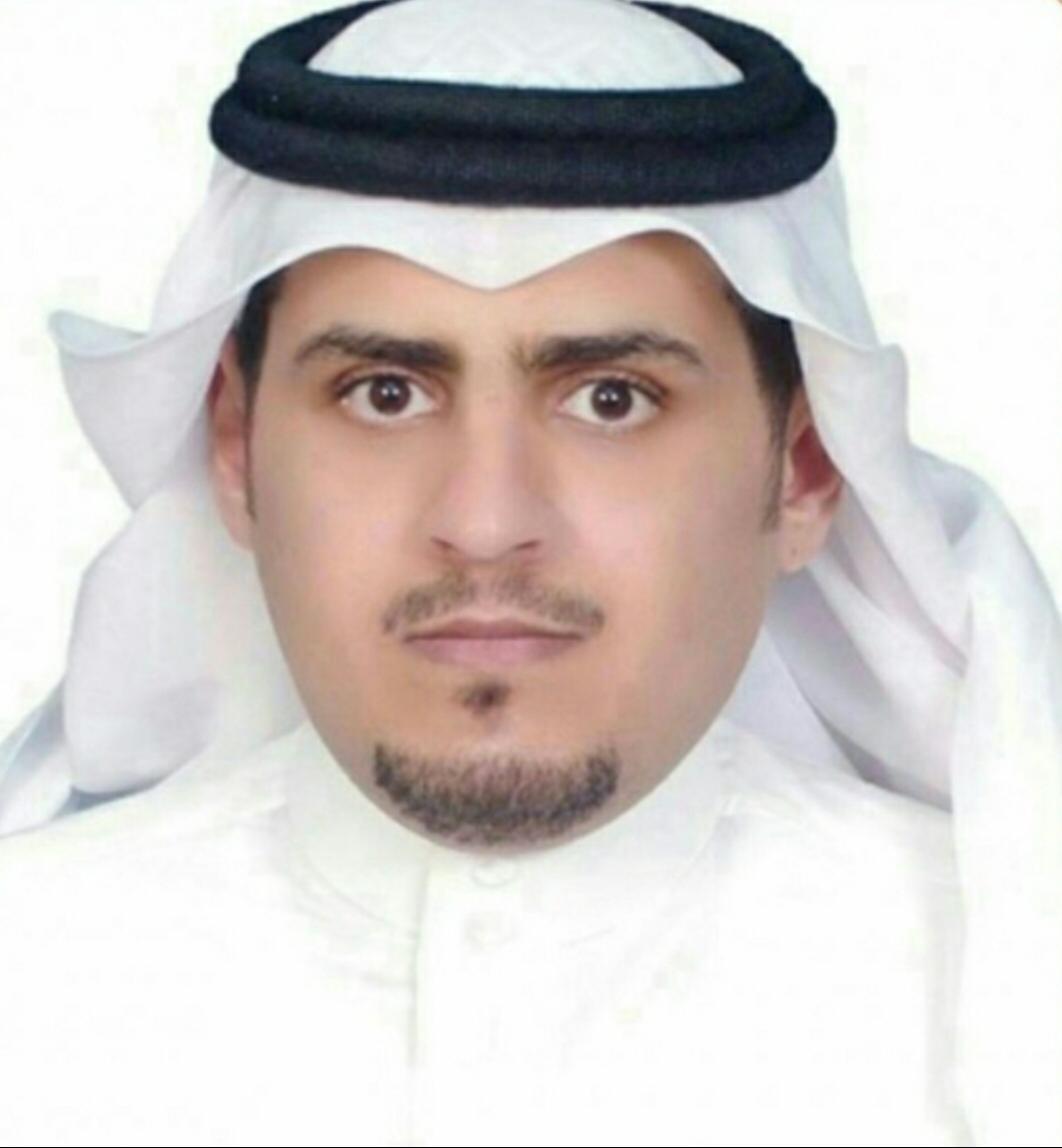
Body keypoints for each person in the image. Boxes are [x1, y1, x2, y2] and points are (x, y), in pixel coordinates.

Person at [0, 1, 1058, 1145]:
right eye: (385, 393)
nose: (487, 521)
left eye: (612, 398)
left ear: (803, 468)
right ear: (236, 448)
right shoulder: (38, 977)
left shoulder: (1002, 999)